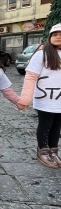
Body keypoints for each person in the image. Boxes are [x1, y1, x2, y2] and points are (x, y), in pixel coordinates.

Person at [18, 24, 61, 168]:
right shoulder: (41, 54)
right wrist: (25, 99)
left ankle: (53, 150)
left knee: (57, 126)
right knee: (46, 124)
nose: (58, 37)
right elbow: (30, 77)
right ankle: (43, 150)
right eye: (55, 34)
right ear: (50, 37)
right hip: (45, 98)